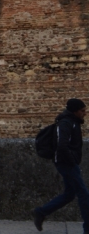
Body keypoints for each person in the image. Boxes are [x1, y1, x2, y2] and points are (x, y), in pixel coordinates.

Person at [33, 98, 89, 232]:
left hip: (68, 162)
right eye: (82, 110)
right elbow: (61, 145)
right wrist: (72, 160)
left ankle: (41, 212)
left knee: (70, 194)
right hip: (66, 163)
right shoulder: (65, 123)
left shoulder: (73, 122)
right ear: (75, 111)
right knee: (84, 194)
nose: (84, 113)